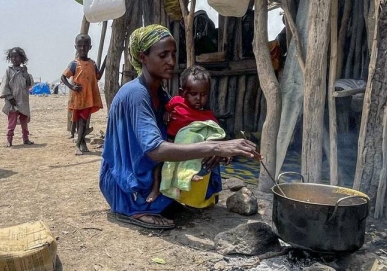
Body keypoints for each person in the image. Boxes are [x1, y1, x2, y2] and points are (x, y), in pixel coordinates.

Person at [99, 25, 257, 229]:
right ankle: (134, 210)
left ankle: (165, 198)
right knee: (210, 148)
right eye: (163, 55)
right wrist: (217, 147)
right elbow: (156, 150)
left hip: (144, 170)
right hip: (124, 181)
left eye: (173, 54)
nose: (171, 62)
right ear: (143, 57)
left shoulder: (159, 92)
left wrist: (214, 145)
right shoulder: (136, 94)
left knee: (205, 142)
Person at [147, 65, 223, 204]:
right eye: (193, 94)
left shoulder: (207, 116)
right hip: (170, 145)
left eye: (203, 94)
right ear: (183, 93)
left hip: (188, 151)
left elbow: (217, 132)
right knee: (157, 166)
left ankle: (188, 176)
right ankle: (156, 188)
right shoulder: (176, 102)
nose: (199, 99)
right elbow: (165, 109)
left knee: (197, 157)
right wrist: (166, 114)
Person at [61, 33, 105, 155]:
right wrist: (72, 87)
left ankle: (78, 145)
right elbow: (63, 77)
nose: (82, 48)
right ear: (76, 47)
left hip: (88, 98)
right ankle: (81, 143)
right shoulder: (75, 64)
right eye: (80, 46)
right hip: (78, 98)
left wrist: (105, 63)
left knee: (83, 121)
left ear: (90, 47)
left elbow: (97, 77)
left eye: (85, 46)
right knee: (78, 121)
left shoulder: (92, 64)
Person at [0, 47, 34, 147]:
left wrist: (26, 73)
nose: (14, 59)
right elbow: (4, 85)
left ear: (21, 58)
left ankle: (26, 138)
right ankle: (9, 140)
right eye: (12, 57)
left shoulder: (24, 71)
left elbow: (29, 84)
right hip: (12, 102)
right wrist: (9, 97)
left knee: (24, 122)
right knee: (12, 123)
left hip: (23, 101)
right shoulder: (8, 71)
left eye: (16, 57)